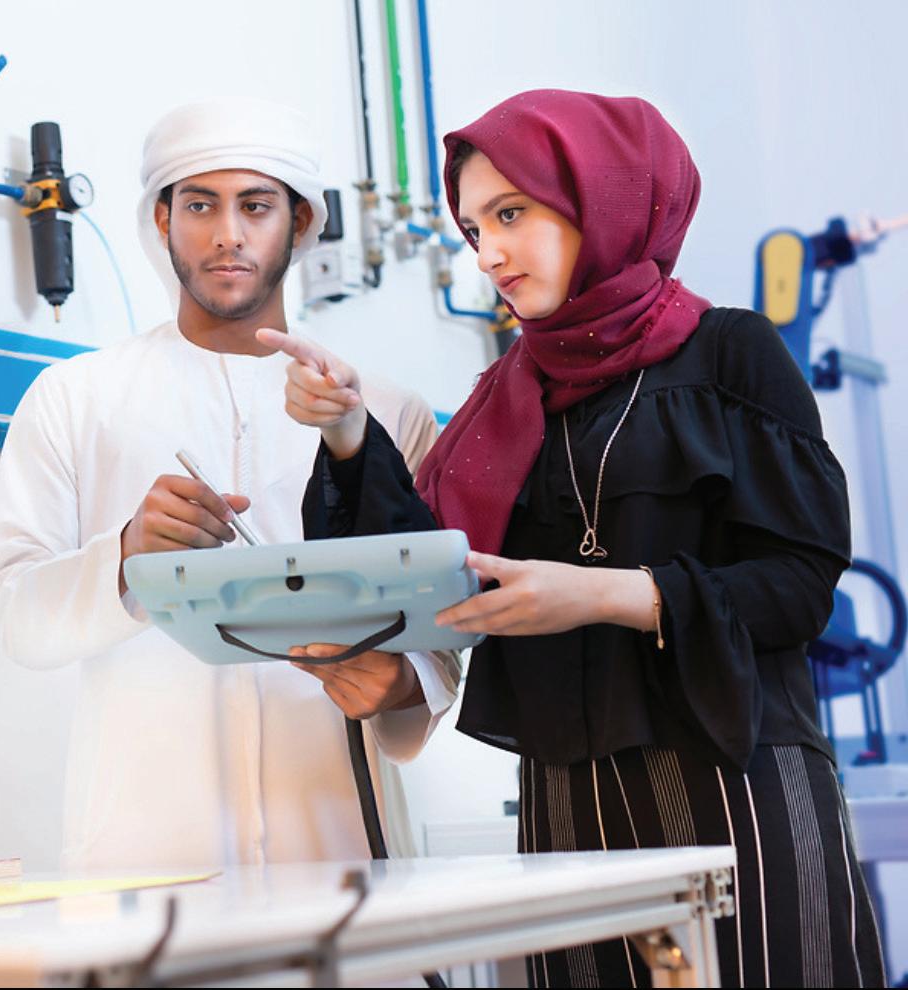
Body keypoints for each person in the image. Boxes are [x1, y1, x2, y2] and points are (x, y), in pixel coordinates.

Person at [261, 89, 885, 987]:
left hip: (731, 782)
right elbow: (429, 570)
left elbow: (798, 584)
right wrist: (350, 431)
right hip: (564, 808)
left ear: (601, 197)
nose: (489, 253)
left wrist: (603, 594)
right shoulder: (508, 394)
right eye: (474, 229)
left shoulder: (730, 353)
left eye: (510, 213)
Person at [0, 98, 460, 872]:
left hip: (339, 843)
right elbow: (18, 619)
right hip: (145, 858)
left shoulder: (385, 410)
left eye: (256, 206)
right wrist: (127, 556)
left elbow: (442, 634)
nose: (228, 234)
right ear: (163, 220)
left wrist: (400, 684)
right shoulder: (75, 398)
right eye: (200, 205)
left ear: (301, 222)